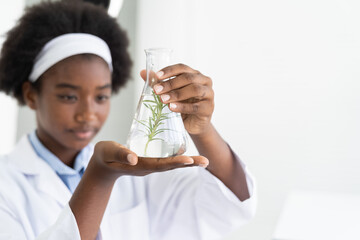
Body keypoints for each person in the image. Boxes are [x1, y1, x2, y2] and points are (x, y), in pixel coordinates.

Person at [0, 1, 256, 239]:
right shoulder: (6, 186)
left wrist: (202, 129)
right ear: (31, 95)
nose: (88, 114)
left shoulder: (138, 172)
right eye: (68, 96)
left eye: (101, 97)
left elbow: (230, 206)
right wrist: (100, 177)